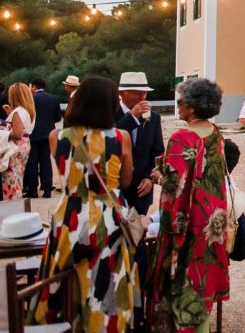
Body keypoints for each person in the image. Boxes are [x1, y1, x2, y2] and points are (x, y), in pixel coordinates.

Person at [29, 76, 137, 332]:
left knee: (66, 280)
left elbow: (67, 174)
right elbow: (126, 180)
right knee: (108, 283)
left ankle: (65, 323)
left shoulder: (58, 136)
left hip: (71, 215)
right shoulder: (120, 137)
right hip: (108, 219)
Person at [146, 78, 230, 333]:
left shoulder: (182, 137)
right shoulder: (216, 134)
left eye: (180, 101)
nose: (178, 105)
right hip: (212, 218)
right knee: (202, 280)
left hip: (187, 222)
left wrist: (156, 176)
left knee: (185, 281)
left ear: (191, 107)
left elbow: (174, 183)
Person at [114, 71, 164, 215]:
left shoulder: (153, 118)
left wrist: (150, 178)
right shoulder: (110, 114)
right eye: (137, 93)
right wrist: (132, 117)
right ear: (122, 93)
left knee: (139, 234)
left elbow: (158, 152)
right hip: (116, 189)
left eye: (145, 93)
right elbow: (109, 139)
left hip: (142, 191)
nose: (142, 97)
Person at [25, 77, 62, 198]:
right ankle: (47, 189)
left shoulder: (30, 98)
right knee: (46, 161)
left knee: (32, 162)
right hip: (48, 134)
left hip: (33, 134)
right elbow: (57, 118)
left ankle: (33, 190)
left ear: (34, 86)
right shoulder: (54, 98)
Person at [0, 82, 36, 200]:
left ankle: (12, 205)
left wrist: (1, 133)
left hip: (15, 146)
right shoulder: (28, 111)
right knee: (18, 176)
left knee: (10, 178)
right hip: (25, 144)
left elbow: (17, 134)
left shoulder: (17, 112)